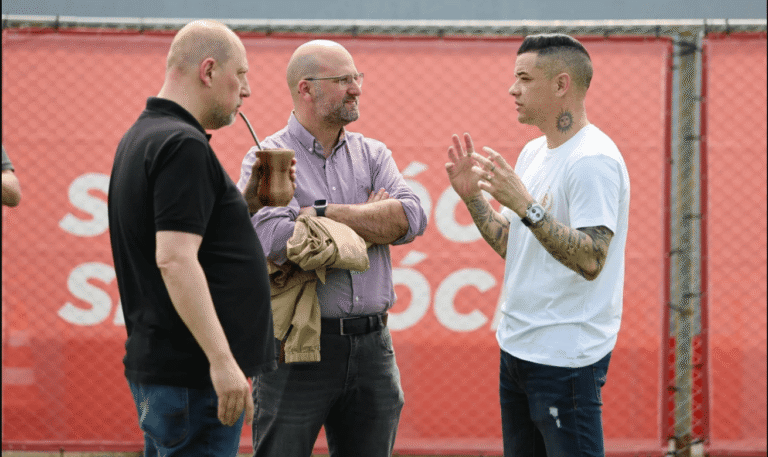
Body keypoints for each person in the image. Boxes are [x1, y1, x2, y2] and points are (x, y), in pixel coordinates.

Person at [237, 39, 428, 457]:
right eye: (343, 80)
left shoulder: (373, 153)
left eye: (357, 77)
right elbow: (278, 242)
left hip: (373, 347)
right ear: (306, 89)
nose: (356, 87)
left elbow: (412, 218)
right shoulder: (267, 160)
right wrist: (368, 222)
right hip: (297, 349)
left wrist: (317, 213)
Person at [446, 34, 630, 456]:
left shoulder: (592, 160)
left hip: (566, 359)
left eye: (524, 79)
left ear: (561, 85)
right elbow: (514, 246)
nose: (513, 89)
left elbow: (591, 259)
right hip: (517, 349)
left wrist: (527, 205)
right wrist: (473, 198)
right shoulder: (534, 151)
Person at [108, 20, 282, 456]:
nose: (247, 91)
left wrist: (247, 202)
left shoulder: (143, 136)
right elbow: (175, 259)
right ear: (208, 71)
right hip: (193, 376)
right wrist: (223, 363)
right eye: (240, 75)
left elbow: (190, 243)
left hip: (169, 370)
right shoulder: (182, 145)